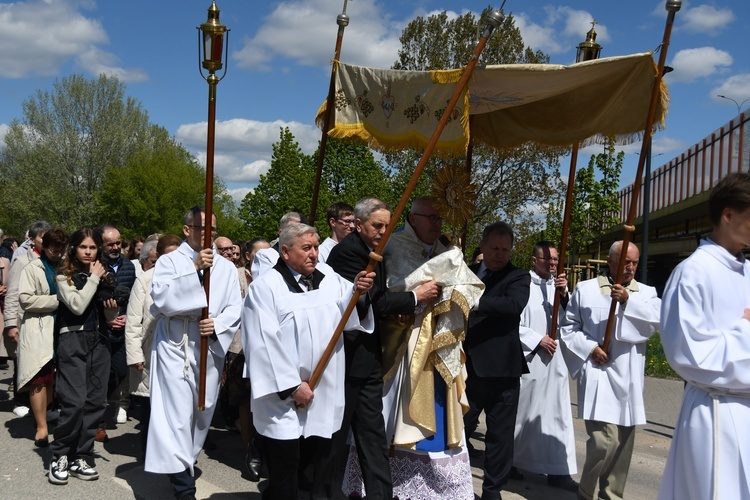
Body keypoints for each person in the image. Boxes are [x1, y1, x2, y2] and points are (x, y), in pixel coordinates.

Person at [242, 223, 375, 500]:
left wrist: (359, 293)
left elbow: (349, 314)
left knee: (319, 461)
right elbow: (263, 343)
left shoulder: (328, 276)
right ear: (286, 251)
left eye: (316, 247)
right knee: (285, 468)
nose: (314, 254)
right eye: (307, 248)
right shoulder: (267, 288)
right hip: (285, 396)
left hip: (323, 390)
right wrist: (292, 386)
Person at [359, 196, 480, 500]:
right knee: (396, 414)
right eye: (432, 218)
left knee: (440, 410)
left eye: (440, 219)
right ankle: (388, 476)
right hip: (404, 340)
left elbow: (467, 286)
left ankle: (436, 484)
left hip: (438, 343)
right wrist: (418, 293)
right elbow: (389, 289)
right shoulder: (394, 244)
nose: (437, 224)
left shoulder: (447, 250)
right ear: (414, 219)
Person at [327, 198, 436, 499]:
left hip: (368, 361)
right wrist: (416, 297)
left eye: (388, 225)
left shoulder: (374, 252)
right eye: (378, 225)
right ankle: (324, 492)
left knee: (373, 438)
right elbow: (376, 299)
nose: (384, 231)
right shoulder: (348, 254)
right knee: (336, 438)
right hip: (345, 361)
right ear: (358, 225)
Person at [658, 172, 750, 500]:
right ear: (728, 214)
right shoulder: (692, 272)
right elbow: (688, 354)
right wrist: (745, 331)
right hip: (716, 415)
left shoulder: (748, 271)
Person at [145, 207, 242, 500]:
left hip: (207, 345)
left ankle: (185, 460)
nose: (209, 234)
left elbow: (235, 306)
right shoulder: (170, 261)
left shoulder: (225, 267)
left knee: (200, 414)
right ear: (187, 230)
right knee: (175, 415)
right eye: (203, 228)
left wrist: (218, 324)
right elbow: (161, 297)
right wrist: (195, 269)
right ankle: (184, 487)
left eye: (213, 229)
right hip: (175, 343)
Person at [560, 240, 660, 500]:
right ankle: (585, 491)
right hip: (598, 374)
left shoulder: (646, 293)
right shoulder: (586, 289)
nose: (630, 268)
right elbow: (568, 328)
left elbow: (653, 324)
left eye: (635, 263)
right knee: (605, 443)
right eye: (625, 261)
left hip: (628, 378)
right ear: (610, 261)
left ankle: (611, 496)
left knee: (622, 451)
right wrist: (591, 348)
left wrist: (627, 302)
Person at [464, 221, 531, 500]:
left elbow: (513, 305)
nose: (500, 254)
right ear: (482, 247)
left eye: (506, 249)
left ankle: (492, 491)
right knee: (458, 433)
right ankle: (456, 486)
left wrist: (473, 300)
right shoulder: (465, 272)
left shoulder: (517, 276)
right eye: (495, 248)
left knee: (499, 439)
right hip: (466, 369)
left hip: (502, 371)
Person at [48, 228, 118, 485]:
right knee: (74, 402)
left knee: (95, 403)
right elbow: (76, 305)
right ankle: (60, 455)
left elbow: (107, 317)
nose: (89, 252)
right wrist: (94, 279)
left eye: (93, 247)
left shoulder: (100, 275)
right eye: (83, 247)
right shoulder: (63, 275)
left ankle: (82, 454)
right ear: (74, 249)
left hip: (99, 341)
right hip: (73, 340)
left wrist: (112, 312)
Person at [512, 241, 577, 491]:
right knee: (525, 414)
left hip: (555, 361)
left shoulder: (558, 286)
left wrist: (565, 297)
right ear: (534, 260)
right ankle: (513, 461)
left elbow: (570, 321)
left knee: (558, 415)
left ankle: (558, 469)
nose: (552, 264)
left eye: (555, 260)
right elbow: (513, 322)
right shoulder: (523, 284)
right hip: (532, 360)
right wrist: (537, 339)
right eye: (547, 259)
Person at [124, 235, 180, 457]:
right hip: (151, 350)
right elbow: (133, 320)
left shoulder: (190, 279)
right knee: (150, 404)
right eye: (167, 256)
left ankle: (173, 451)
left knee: (175, 405)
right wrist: (134, 354)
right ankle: (149, 451)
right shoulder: (146, 279)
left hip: (178, 351)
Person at [17, 228, 68, 448]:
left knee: (53, 379)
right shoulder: (32, 268)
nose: (58, 254)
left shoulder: (66, 267)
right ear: (43, 247)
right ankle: (41, 427)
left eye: (61, 250)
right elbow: (25, 300)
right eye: (54, 250)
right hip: (39, 329)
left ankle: (47, 414)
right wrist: (58, 300)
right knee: (39, 376)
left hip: (62, 328)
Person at [4, 220, 52, 417]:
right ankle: (21, 400)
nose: (46, 239)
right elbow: (13, 294)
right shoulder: (22, 261)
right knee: (23, 361)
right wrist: (10, 324)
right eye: (42, 236)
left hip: (49, 321)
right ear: (32, 240)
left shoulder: (56, 259)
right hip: (26, 321)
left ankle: (47, 405)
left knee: (47, 365)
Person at [96, 225, 136, 438]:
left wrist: (128, 316)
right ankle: (97, 422)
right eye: (110, 243)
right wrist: (107, 319)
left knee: (120, 371)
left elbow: (134, 298)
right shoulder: (95, 267)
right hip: (101, 331)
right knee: (99, 377)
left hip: (122, 331)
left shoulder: (129, 266)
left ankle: (103, 406)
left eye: (118, 242)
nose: (115, 247)